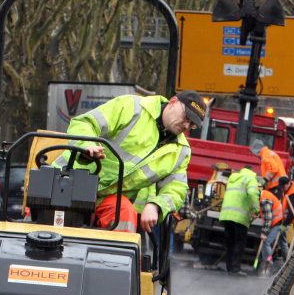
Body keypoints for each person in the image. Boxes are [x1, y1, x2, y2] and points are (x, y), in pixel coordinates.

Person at [64, 90, 205, 233]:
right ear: (173, 102)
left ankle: (114, 255)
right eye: (186, 117)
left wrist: (155, 205)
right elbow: (86, 122)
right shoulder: (132, 107)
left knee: (124, 214)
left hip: (108, 198)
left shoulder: (181, 151)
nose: (186, 126)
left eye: (192, 124)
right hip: (68, 182)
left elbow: (176, 188)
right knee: (50, 217)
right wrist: (85, 145)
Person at [218, 166, 260, 274]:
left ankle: (229, 267)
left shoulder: (233, 178)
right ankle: (236, 268)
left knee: (230, 242)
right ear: (252, 172)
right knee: (239, 242)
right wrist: (256, 209)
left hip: (226, 215)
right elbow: (252, 194)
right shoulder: (251, 179)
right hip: (239, 217)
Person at [258, 179, 284, 270]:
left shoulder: (265, 199)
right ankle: (265, 263)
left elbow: (268, 218)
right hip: (276, 221)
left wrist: (264, 233)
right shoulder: (264, 194)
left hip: (278, 222)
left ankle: (269, 263)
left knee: (267, 242)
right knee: (266, 243)